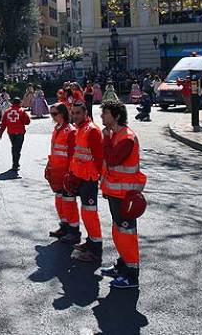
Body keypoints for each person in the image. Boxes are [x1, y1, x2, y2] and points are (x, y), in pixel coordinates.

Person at [100, 101, 147, 289]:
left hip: (125, 194)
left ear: (116, 116)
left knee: (126, 233)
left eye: (105, 113)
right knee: (119, 231)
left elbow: (112, 160)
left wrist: (104, 140)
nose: (102, 117)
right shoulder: (116, 134)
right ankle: (122, 265)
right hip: (116, 191)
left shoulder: (126, 137)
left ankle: (131, 275)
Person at [62, 102, 105, 263]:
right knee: (87, 214)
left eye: (78, 113)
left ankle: (95, 250)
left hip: (89, 179)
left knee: (90, 215)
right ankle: (91, 242)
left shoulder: (91, 130)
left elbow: (99, 158)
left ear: (85, 113)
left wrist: (102, 179)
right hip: (81, 178)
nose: (74, 116)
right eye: (73, 113)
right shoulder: (81, 129)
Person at [44, 103, 78, 240]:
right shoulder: (57, 128)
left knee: (69, 202)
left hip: (65, 172)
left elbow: (72, 154)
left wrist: (71, 173)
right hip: (56, 171)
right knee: (59, 201)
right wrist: (48, 166)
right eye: (51, 114)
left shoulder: (69, 130)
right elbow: (54, 150)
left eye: (54, 114)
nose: (52, 117)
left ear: (63, 113)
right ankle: (64, 226)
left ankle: (73, 231)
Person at [0, 97, 31, 173]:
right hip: (20, 132)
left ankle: (15, 163)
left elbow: (3, 124)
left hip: (11, 132)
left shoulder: (7, 111)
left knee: (14, 147)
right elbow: (27, 122)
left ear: (12, 103)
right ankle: (15, 164)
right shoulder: (21, 111)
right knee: (17, 149)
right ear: (19, 103)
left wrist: (0, 134)